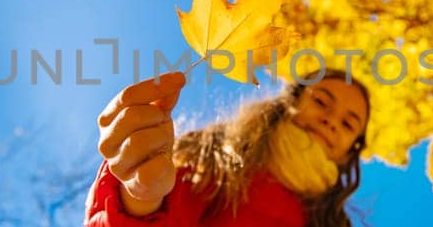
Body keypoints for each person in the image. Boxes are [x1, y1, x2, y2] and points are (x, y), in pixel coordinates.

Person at [86, 70, 370, 226]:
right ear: (290, 103)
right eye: (321, 102)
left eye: (348, 124)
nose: (331, 121)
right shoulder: (220, 160)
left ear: (349, 152)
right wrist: (139, 199)